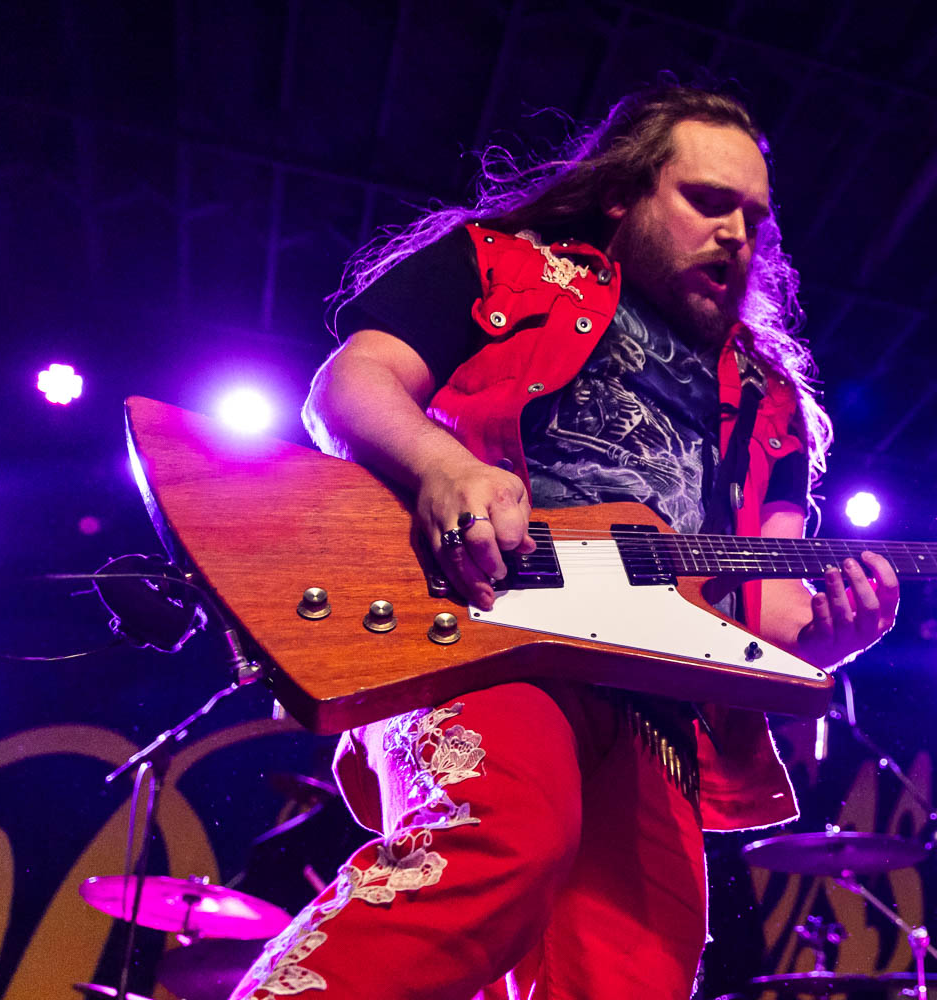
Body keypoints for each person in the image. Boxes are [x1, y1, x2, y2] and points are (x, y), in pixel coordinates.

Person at [230, 83, 900, 1000]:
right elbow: (351, 384)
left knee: (634, 977)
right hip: (479, 627)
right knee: (503, 836)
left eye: (754, 216)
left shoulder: (772, 397)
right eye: (707, 201)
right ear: (624, 194)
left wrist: (836, 638)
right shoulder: (500, 267)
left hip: (654, 704)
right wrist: (442, 466)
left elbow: (772, 613)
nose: (736, 233)